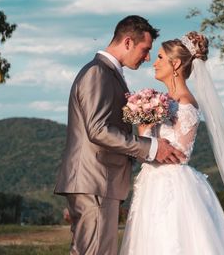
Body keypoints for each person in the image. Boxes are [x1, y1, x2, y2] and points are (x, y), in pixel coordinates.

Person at [120, 32, 224, 255]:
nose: (154, 63)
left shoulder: (185, 103)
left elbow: (181, 153)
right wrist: (144, 127)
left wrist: (148, 135)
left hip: (172, 186)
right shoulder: (162, 102)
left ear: (176, 63)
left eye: (160, 57)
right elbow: (148, 149)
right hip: (151, 183)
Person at [54, 15, 186, 255]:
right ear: (127, 42)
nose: (147, 58)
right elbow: (98, 130)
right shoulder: (98, 73)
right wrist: (153, 148)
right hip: (95, 180)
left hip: (100, 181)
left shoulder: (108, 73)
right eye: (145, 50)